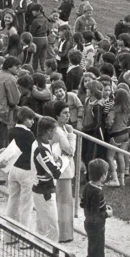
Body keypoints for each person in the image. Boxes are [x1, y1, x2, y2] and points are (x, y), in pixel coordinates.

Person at [75, 158, 112, 257]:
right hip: (97, 227)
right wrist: (107, 213)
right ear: (103, 175)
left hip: (88, 224)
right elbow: (99, 214)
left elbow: (83, 204)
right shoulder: (98, 192)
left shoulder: (87, 187)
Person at [31, 117, 62, 257]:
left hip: (43, 190)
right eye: (54, 130)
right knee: (52, 229)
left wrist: (56, 163)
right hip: (44, 192)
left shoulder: (43, 146)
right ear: (47, 131)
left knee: (42, 229)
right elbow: (56, 171)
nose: (55, 133)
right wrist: (62, 161)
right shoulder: (41, 150)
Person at [4, 106, 37, 239]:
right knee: (26, 205)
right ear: (23, 119)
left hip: (13, 169)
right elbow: (35, 151)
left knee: (12, 201)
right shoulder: (29, 134)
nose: (33, 122)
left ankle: (9, 235)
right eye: (30, 119)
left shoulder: (11, 131)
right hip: (26, 171)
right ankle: (25, 237)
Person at [51, 101, 77, 243]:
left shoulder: (63, 128)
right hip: (62, 170)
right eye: (64, 113)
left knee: (66, 201)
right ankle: (64, 234)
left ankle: (66, 232)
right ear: (57, 115)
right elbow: (70, 149)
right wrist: (72, 135)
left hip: (66, 168)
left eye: (68, 112)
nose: (68, 115)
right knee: (64, 202)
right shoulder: (59, 131)